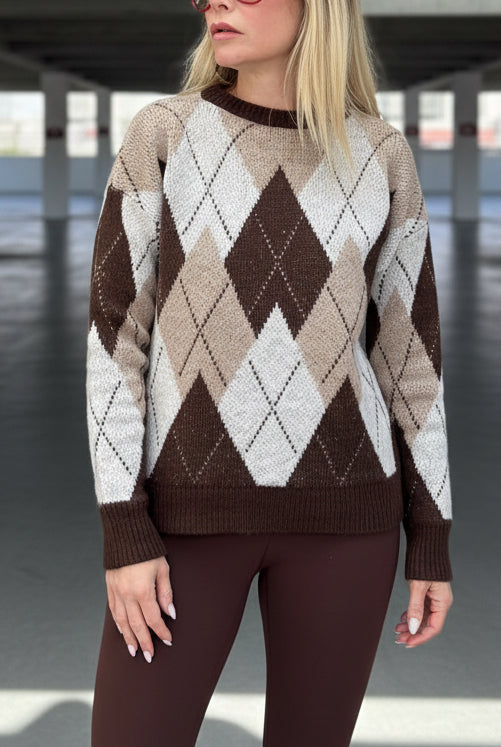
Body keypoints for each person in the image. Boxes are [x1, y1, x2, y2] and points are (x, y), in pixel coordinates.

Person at [85, 0, 454, 744]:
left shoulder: (380, 153)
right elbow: (115, 342)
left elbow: (409, 360)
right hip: (183, 521)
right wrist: (123, 527)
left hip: (349, 519)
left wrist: (431, 534)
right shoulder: (165, 133)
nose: (213, 2)